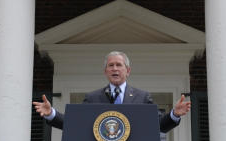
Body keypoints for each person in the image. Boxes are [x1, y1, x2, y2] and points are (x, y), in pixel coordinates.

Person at [32, 51, 190, 133]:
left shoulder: (142, 97)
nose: (115, 68)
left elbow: (156, 125)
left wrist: (174, 114)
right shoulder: (93, 98)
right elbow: (76, 124)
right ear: (105, 71)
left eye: (119, 65)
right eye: (111, 65)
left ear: (127, 71)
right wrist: (51, 113)